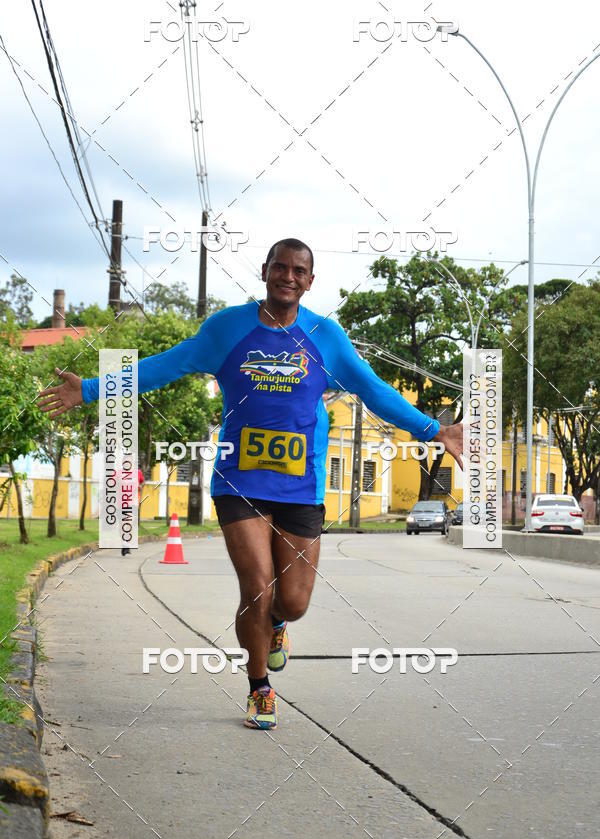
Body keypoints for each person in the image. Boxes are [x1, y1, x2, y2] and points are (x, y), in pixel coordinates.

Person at [37, 239, 463, 730]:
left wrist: (433, 429)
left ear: (309, 280)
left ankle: (278, 626)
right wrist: (90, 389)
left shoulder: (327, 337)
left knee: (293, 603)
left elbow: (374, 390)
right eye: (280, 267)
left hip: (302, 489)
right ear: (264, 271)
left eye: (299, 270)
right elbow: (166, 365)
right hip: (238, 482)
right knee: (256, 588)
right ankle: (259, 687)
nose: (288, 276)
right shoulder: (227, 329)